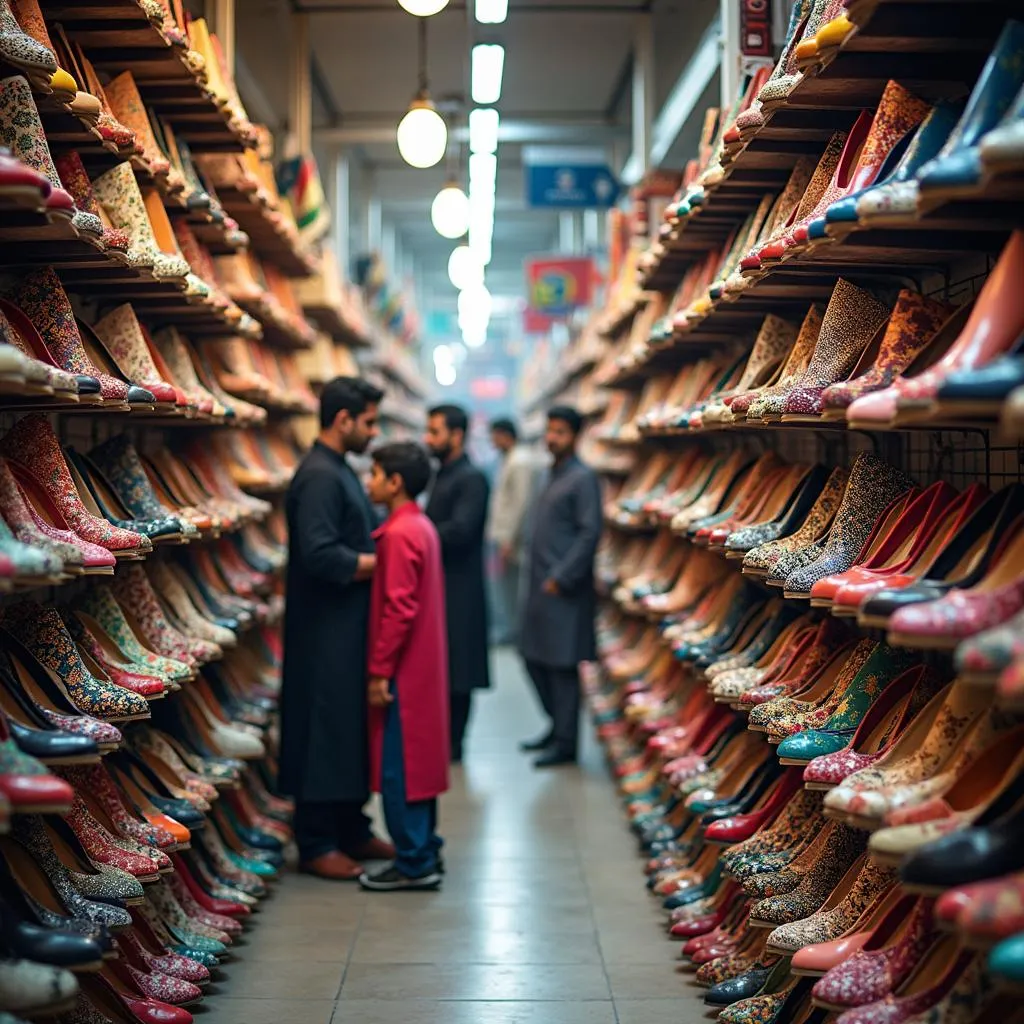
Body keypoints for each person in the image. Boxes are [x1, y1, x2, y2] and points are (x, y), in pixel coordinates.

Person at [279, 376, 395, 880]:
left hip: (344, 624)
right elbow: (321, 553)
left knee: (345, 727)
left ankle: (350, 826)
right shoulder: (321, 476)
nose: (374, 432)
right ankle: (316, 839)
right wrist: (383, 561)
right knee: (323, 728)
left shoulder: (338, 469)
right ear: (343, 419)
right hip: (324, 626)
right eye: (368, 422)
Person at [361, 442, 449, 892]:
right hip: (424, 667)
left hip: (403, 672)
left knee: (400, 768)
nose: (369, 481)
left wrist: (379, 671)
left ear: (395, 482)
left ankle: (414, 861)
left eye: (375, 474)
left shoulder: (397, 535)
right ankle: (425, 848)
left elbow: (398, 609)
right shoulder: (422, 526)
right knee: (421, 765)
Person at [519, 406, 603, 768]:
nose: (552, 438)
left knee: (562, 666)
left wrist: (562, 576)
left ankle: (566, 743)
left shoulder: (582, 479)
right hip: (541, 585)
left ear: (575, 436)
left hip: (564, 589)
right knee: (534, 657)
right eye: (550, 431)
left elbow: (590, 533)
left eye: (560, 432)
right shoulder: (551, 474)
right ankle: (556, 728)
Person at [423, 404, 491, 763]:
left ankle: (454, 745)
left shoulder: (471, 478)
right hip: (441, 585)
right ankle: (443, 740)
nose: (428, 438)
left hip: (460, 588)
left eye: (435, 431)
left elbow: (461, 532)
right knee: (445, 667)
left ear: (457, 435)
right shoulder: (443, 473)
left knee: (458, 671)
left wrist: (418, 534)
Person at [486, 417, 536, 645]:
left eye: (495, 437)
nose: (492, 442)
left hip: (511, 540)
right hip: (504, 537)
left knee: (511, 587)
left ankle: (514, 632)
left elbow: (520, 502)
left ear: (505, 435)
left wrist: (508, 539)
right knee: (505, 585)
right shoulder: (511, 459)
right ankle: (510, 629)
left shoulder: (519, 462)